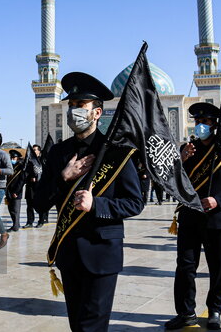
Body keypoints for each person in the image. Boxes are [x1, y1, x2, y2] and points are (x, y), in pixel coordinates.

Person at [34, 72, 144, 331]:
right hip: (69, 251)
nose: (74, 112)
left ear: (96, 113)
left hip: (101, 252)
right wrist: (63, 177)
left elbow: (134, 202)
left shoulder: (116, 153)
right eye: (71, 105)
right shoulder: (59, 152)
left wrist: (96, 205)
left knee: (92, 325)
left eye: (80, 106)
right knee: (77, 323)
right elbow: (39, 203)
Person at [165, 103, 221, 331]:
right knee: (185, 267)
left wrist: (218, 200)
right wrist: (180, 159)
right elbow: (173, 181)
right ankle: (185, 312)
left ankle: (215, 310)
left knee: (217, 268)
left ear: (215, 124)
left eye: (206, 122)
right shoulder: (188, 149)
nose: (201, 126)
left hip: (217, 218)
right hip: (190, 217)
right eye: (198, 122)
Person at [23, 144, 45, 229]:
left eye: (35, 150)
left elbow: (46, 173)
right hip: (30, 186)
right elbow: (25, 173)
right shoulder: (29, 161)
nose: (34, 151)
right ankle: (29, 222)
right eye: (33, 150)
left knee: (40, 204)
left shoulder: (43, 161)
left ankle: (41, 221)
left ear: (39, 151)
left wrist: (38, 178)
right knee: (29, 206)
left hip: (40, 186)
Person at [6, 150, 27, 232]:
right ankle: (15, 224)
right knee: (10, 209)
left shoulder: (21, 167)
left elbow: (21, 181)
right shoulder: (10, 166)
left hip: (16, 192)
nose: (12, 159)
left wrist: (16, 192)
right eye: (11, 157)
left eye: (13, 157)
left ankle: (15, 226)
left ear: (18, 158)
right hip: (9, 191)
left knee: (15, 210)